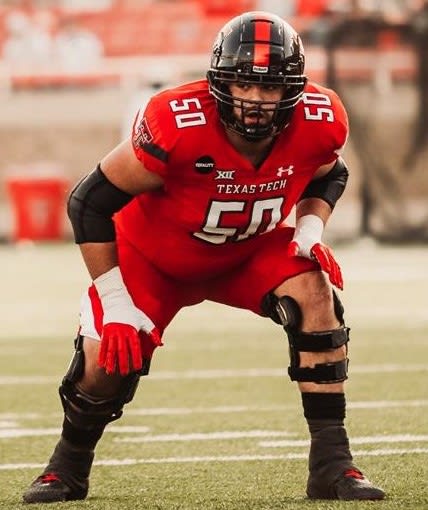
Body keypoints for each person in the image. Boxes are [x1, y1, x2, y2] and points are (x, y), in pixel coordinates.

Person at [22, 11, 385, 504]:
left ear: (293, 90)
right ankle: (67, 465)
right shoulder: (177, 124)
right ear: (219, 81)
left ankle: (332, 464)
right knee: (107, 361)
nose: (255, 99)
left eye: (271, 87)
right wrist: (116, 300)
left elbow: (328, 173)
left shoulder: (319, 121)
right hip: (152, 260)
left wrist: (310, 227)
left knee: (314, 293)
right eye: (242, 83)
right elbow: (88, 202)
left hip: (246, 253)